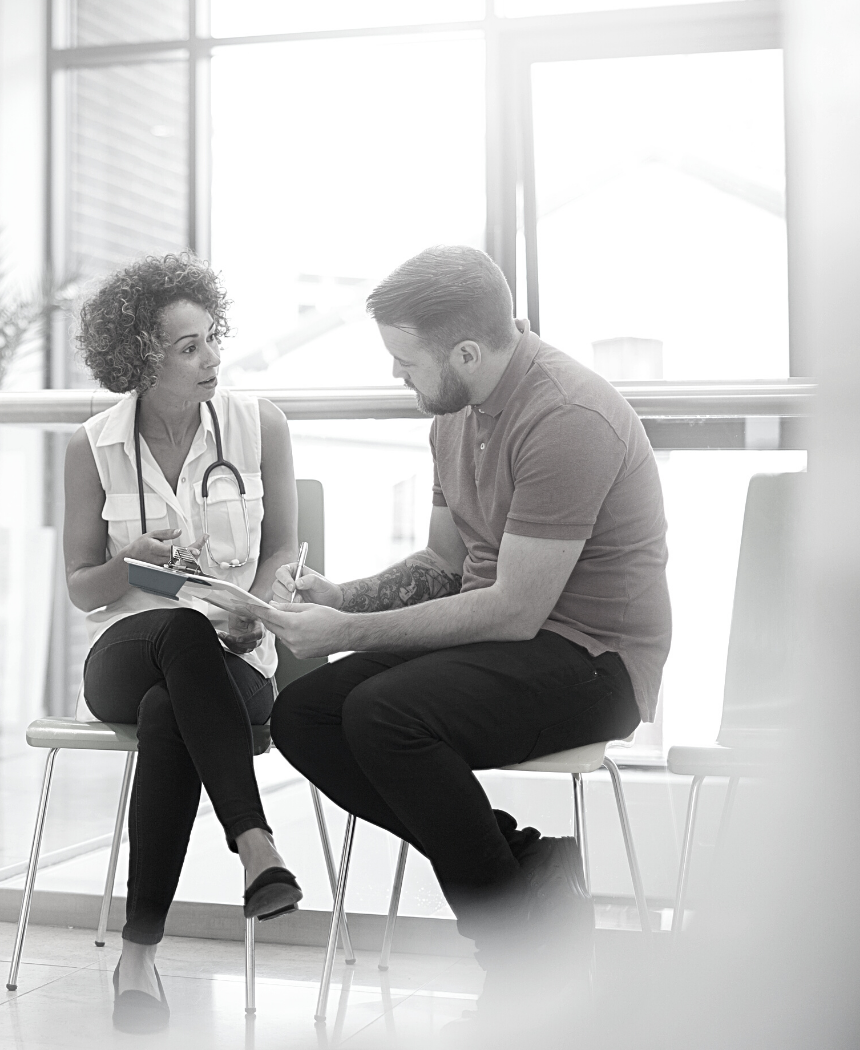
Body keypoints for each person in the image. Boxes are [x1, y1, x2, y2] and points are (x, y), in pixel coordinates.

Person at [251, 245, 670, 1022]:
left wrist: (348, 628)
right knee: (303, 714)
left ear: (467, 352)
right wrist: (339, 595)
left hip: (595, 662)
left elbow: (515, 608)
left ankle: (516, 954)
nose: (396, 377)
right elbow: (447, 564)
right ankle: (526, 868)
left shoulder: (565, 417)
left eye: (405, 361)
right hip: (509, 644)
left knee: (385, 715)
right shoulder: (455, 417)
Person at [63, 254, 304, 1034]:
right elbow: (81, 588)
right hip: (125, 655)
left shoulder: (257, 425)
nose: (211, 360)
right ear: (140, 357)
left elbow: (286, 554)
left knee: (177, 706)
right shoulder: (92, 447)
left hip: (237, 658)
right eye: (187, 348)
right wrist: (133, 562)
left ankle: (138, 956)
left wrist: (257, 611)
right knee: (175, 631)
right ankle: (255, 840)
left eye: (211, 340)